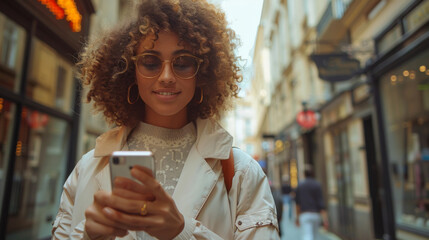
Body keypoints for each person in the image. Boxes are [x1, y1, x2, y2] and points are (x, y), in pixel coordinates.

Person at [51, 0, 279, 239]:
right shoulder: (87, 168)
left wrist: (182, 232)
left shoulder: (241, 171)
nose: (167, 77)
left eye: (183, 63)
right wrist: (87, 235)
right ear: (130, 70)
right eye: (150, 62)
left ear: (201, 73)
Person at [294, 168, 329, 240]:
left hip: (304, 214)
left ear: (304, 174)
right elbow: (321, 203)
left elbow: (297, 204)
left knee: (307, 235)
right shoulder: (317, 185)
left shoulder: (300, 186)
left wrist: (297, 218)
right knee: (316, 235)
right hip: (316, 214)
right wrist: (325, 219)